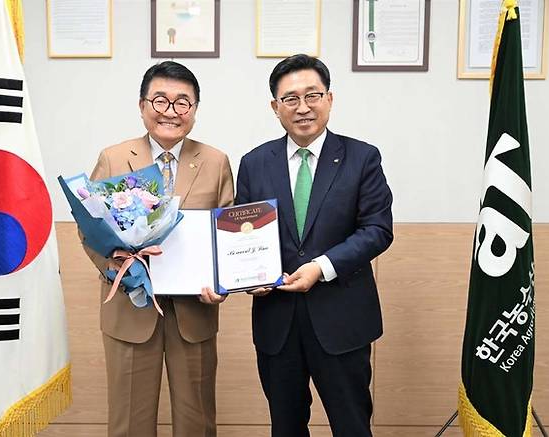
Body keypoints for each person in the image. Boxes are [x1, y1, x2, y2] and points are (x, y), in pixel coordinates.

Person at [235, 54, 393, 436]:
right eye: (290, 98)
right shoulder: (254, 162)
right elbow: (245, 236)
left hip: (342, 320)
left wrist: (321, 266)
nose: (303, 107)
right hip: (277, 321)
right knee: (285, 428)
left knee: (352, 426)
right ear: (275, 107)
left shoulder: (362, 157)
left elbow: (377, 229)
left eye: (313, 95)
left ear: (330, 99)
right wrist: (245, 276)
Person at [81, 61, 232, 437]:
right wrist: (116, 267)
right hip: (131, 311)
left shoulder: (215, 162)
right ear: (142, 105)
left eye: (183, 102)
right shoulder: (114, 158)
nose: (170, 112)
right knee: (129, 422)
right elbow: (89, 229)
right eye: (160, 100)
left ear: (195, 110)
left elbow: (227, 236)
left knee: (197, 421)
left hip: (193, 313)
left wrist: (224, 280)